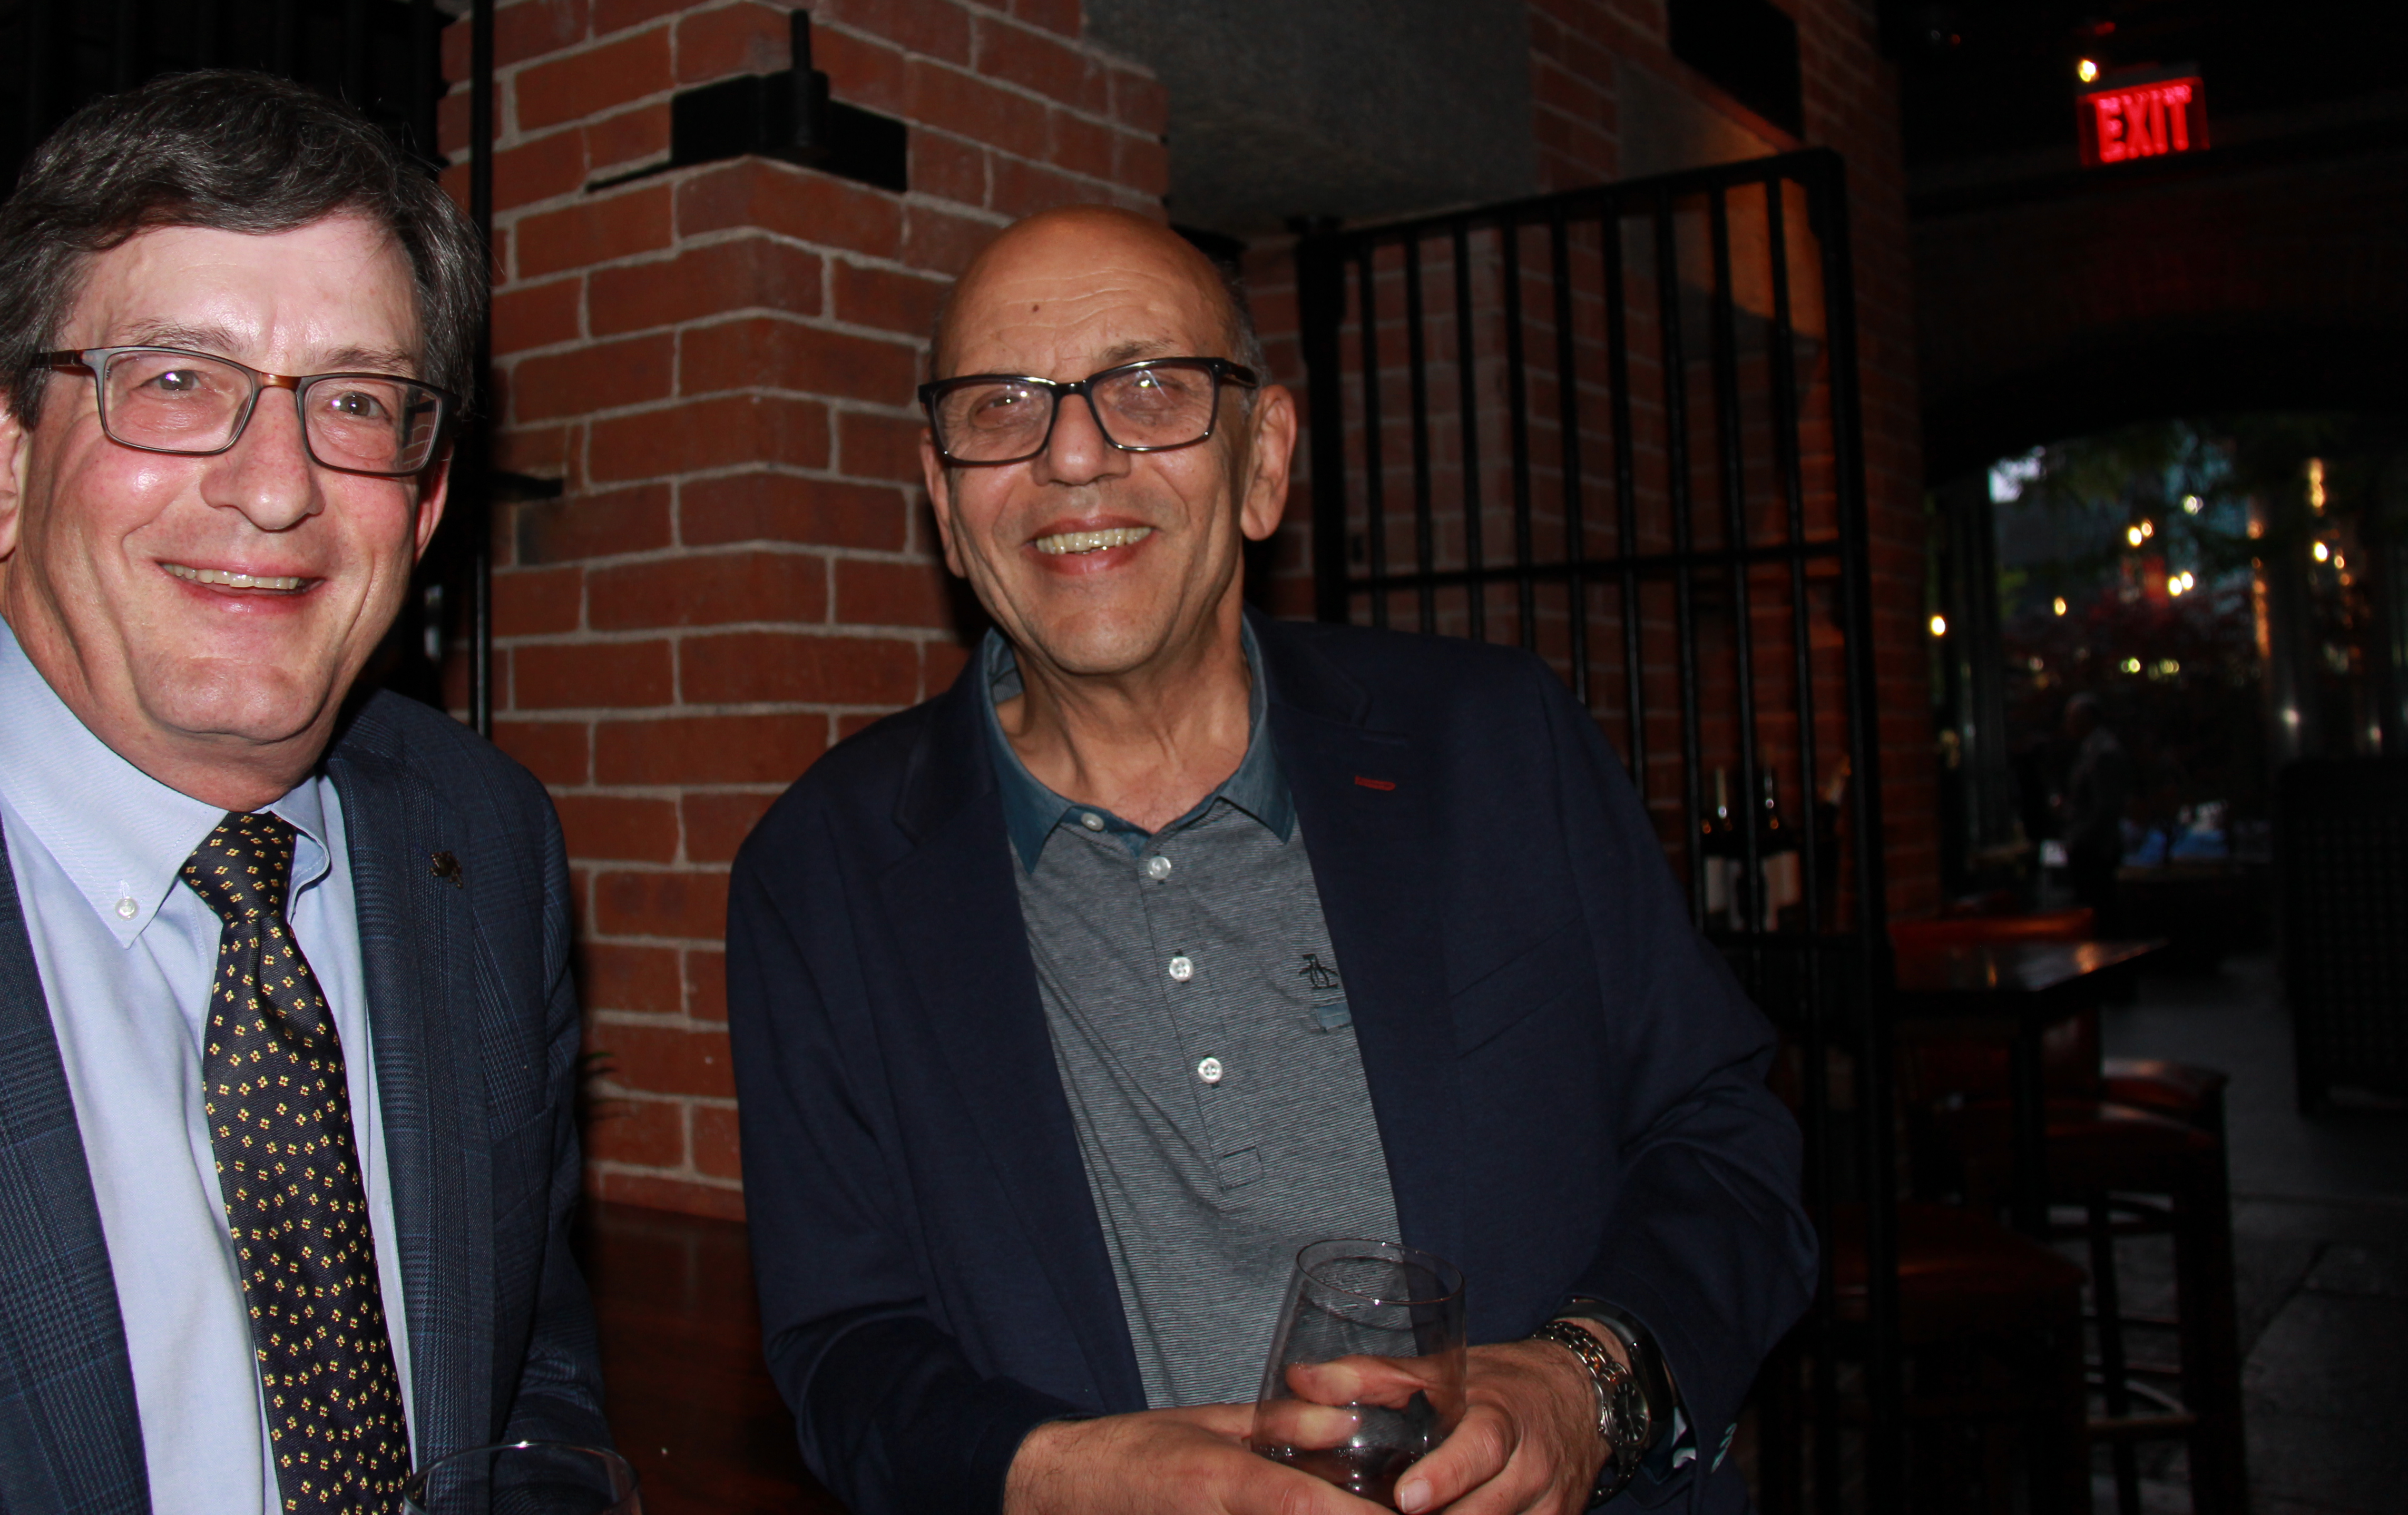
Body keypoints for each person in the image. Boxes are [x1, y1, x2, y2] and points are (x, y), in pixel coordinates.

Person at [727, 206, 1814, 1515]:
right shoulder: (822, 871)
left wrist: (1585, 1386)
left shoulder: (1494, 745)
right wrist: (1070, 1475)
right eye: (1001, 406)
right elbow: (844, 1349)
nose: (1071, 454)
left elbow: (1724, 1138)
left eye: (1149, 388)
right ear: (946, 503)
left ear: (1264, 460)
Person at [0, 71, 608, 1511]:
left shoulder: (483, 840)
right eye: (176, 380)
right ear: (1, 455)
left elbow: (530, 1371)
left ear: (423, 506)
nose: (275, 487)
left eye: (355, 402)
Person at [2057, 691, 2132, 915]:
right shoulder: (2093, 749)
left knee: (2097, 907)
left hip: (2095, 850)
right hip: (2091, 846)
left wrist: (2079, 839)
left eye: (2071, 718)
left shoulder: (2102, 753)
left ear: (2086, 718)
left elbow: (2105, 806)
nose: (2067, 724)